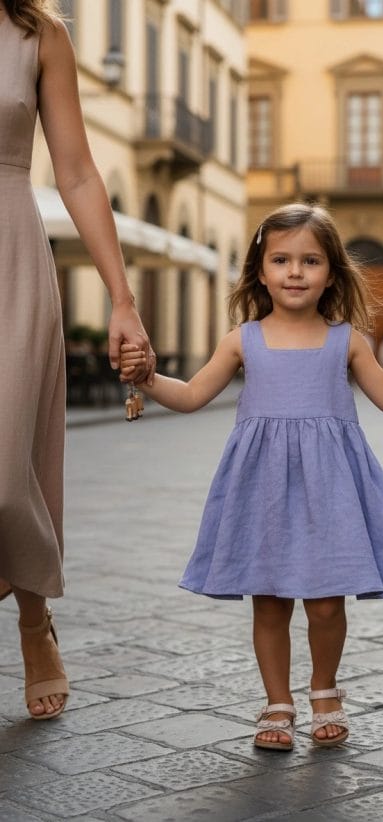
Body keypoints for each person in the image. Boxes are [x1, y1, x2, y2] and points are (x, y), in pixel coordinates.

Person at [120, 202, 383, 750]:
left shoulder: (346, 340)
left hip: (331, 490)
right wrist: (148, 375)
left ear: (331, 272)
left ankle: (324, 688)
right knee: (271, 599)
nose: (295, 271)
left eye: (310, 260)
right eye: (281, 259)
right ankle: (277, 701)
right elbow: (188, 396)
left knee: (328, 602)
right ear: (261, 270)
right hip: (262, 489)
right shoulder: (242, 339)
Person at [0, 0, 154, 720]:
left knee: (7, 476)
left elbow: (81, 173)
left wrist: (121, 299)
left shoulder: (40, 34)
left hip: (9, 260)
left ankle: (34, 617)